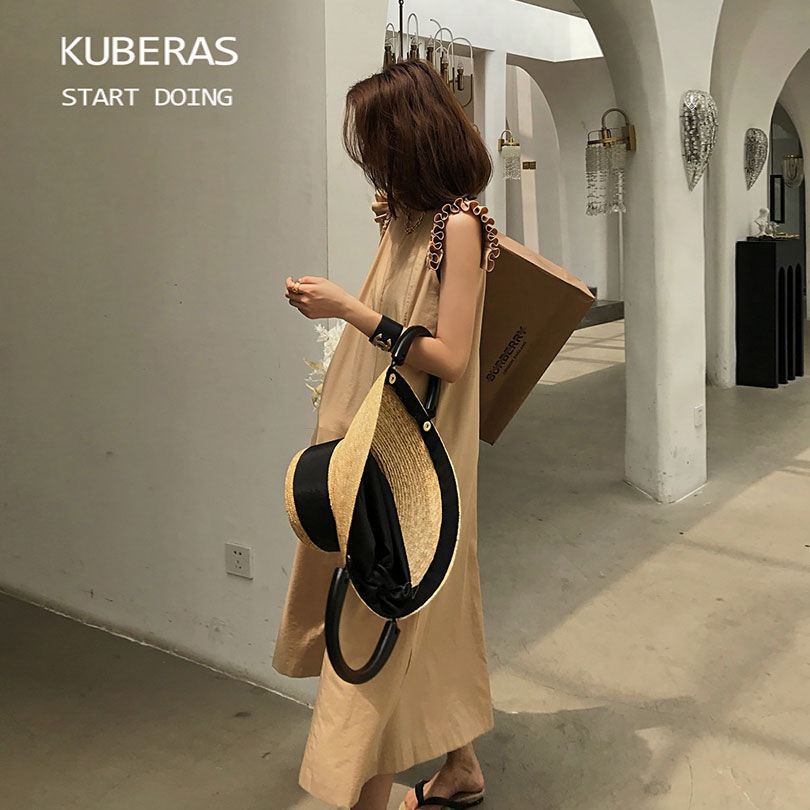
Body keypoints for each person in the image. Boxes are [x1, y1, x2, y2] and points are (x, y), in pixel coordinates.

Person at [274, 58, 500, 810]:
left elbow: (452, 357)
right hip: (384, 441)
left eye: (376, 140)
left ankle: (365, 794)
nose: (368, 157)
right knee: (426, 605)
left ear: (408, 138)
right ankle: (461, 767)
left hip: (416, 454)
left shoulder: (458, 226)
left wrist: (348, 308)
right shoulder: (409, 217)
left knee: (382, 611)